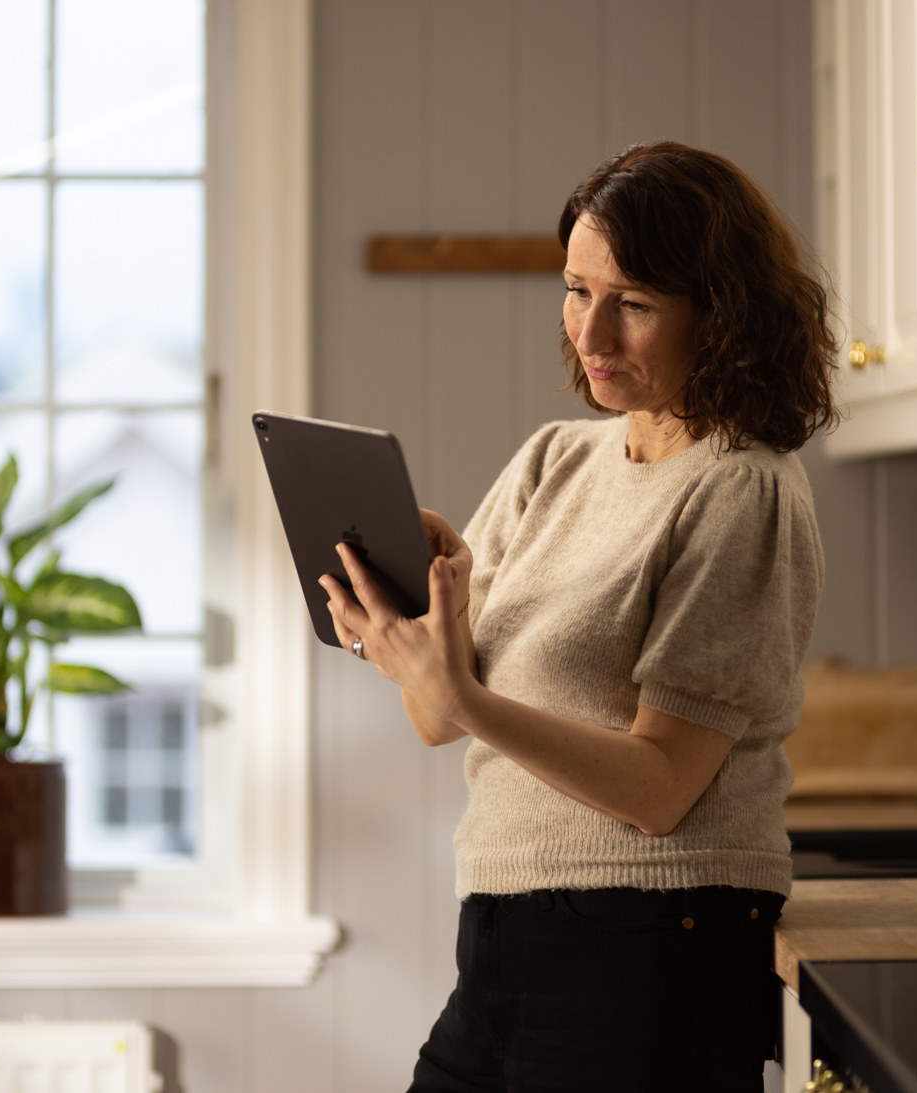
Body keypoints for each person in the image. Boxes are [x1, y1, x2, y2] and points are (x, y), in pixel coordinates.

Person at [320, 140, 837, 1093]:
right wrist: (439, 610)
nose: (591, 333)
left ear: (718, 314)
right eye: (575, 289)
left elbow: (660, 789)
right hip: (506, 930)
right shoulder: (555, 459)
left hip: (653, 945)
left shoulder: (741, 490)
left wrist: (466, 699)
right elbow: (438, 718)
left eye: (634, 303)